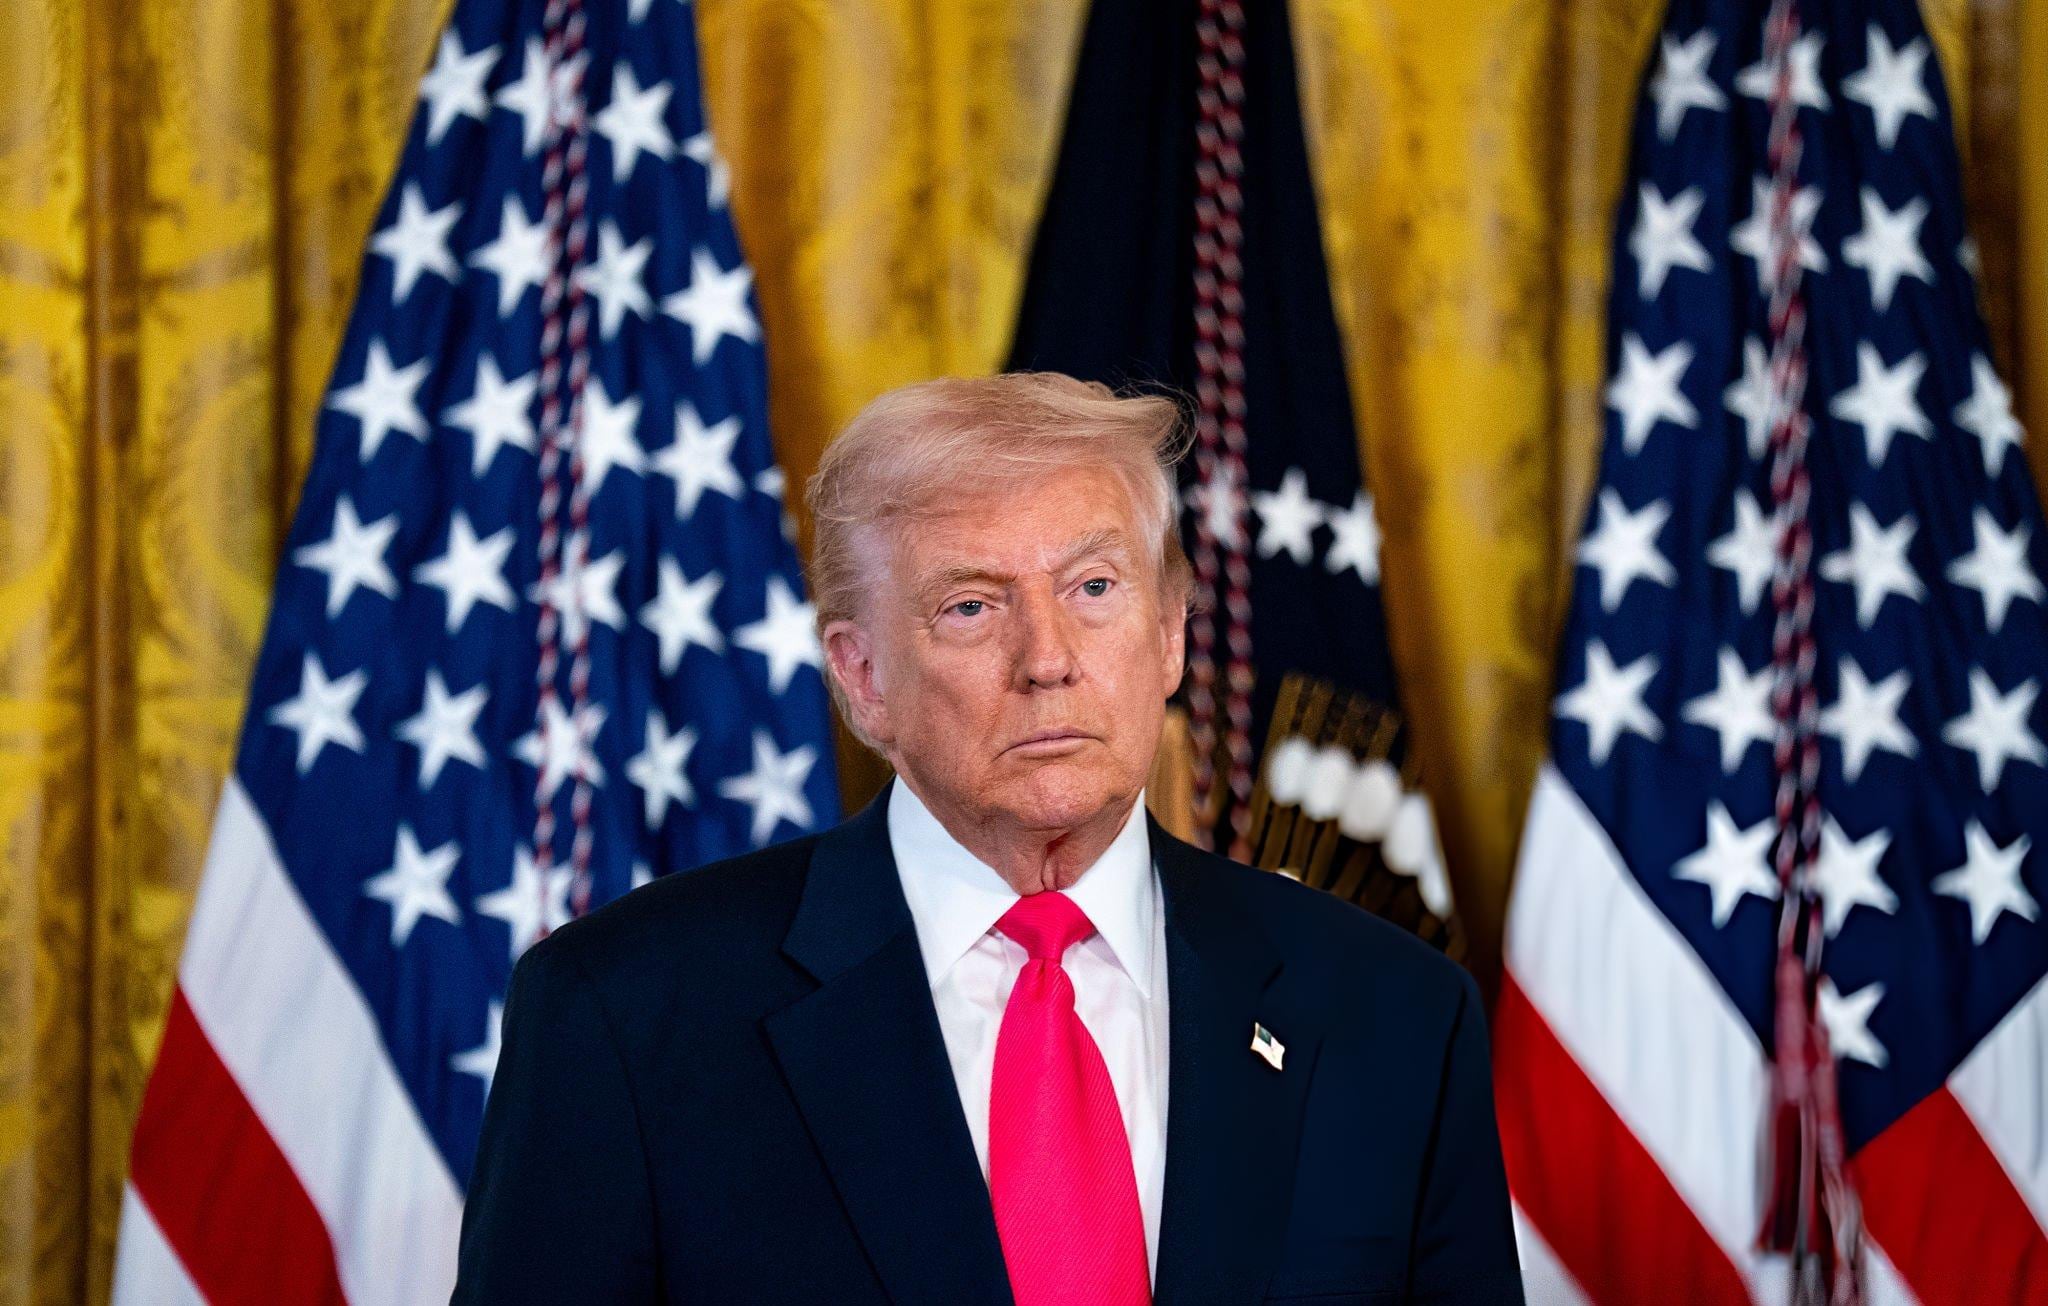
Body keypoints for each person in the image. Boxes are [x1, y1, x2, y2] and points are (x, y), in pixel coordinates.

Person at [452, 373, 1524, 1304]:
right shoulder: (623, 1018)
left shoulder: (1393, 1015)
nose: (1046, 658)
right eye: (971, 606)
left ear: (1166, 636)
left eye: (1093, 589)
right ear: (862, 677)